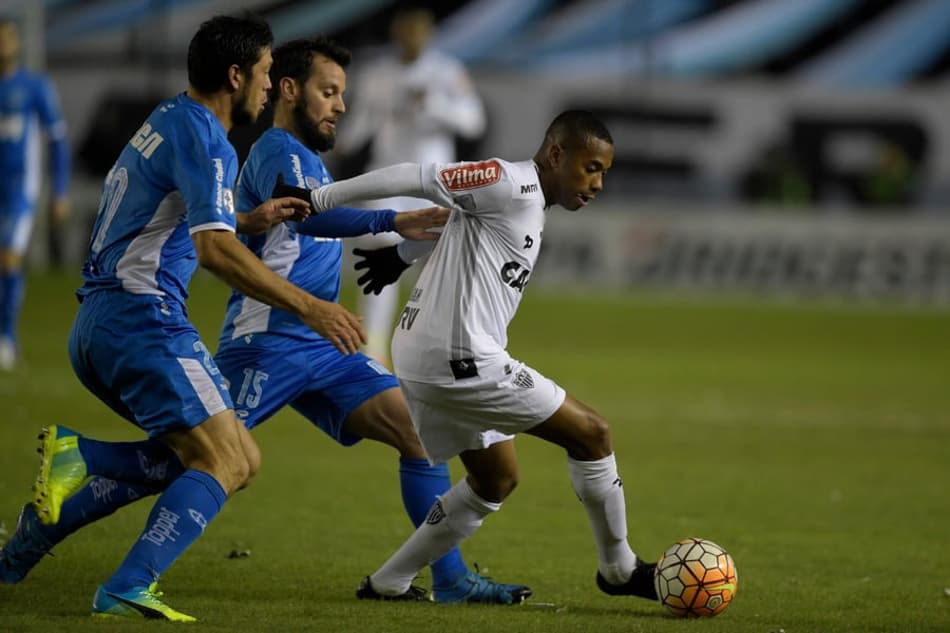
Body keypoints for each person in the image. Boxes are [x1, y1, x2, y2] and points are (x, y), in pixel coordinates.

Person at [0, 35, 526, 607]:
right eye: (328, 92)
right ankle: (60, 535)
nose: (340, 106)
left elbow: (280, 217)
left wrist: (389, 229)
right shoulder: (278, 148)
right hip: (267, 341)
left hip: (323, 348)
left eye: (342, 94)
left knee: (419, 435)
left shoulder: (288, 155)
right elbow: (311, 218)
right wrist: (393, 219)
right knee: (191, 459)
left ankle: (448, 578)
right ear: (288, 91)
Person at [1, 15, 366, 622]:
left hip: (101, 322)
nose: (271, 84)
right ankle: (119, 563)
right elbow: (213, 252)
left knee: (213, 456)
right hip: (141, 322)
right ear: (235, 75)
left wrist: (248, 220)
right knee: (230, 461)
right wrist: (312, 306)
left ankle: (21, 551)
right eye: (267, 73)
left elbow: (177, 218)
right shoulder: (207, 137)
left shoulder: (170, 116)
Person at [289, 110, 662, 603]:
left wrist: (399, 255)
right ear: (556, 154)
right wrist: (320, 198)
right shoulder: (510, 182)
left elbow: (464, 226)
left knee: (495, 479)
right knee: (593, 434)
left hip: (431, 356)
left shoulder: (522, 203)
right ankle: (618, 569)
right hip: (459, 357)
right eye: (590, 167)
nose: (597, 183)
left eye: (604, 173)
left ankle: (388, 582)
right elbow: (417, 177)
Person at [336, 5, 485, 365]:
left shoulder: (446, 73)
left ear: (429, 31)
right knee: (379, 256)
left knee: (439, 267)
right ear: (396, 31)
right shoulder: (377, 74)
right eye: (405, 28)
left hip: (434, 183)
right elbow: (363, 122)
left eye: (418, 28)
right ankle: (372, 349)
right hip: (388, 179)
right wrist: (337, 143)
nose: (411, 35)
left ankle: (441, 349)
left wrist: (433, 106)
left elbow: (472, 122)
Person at [0, 17, 70, 370]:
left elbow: (57, 140)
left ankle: (7, 339)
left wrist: (59, 190)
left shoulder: (33, 86)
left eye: (8, 38)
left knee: (9, 258)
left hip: (19, 188)